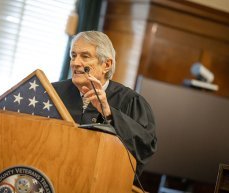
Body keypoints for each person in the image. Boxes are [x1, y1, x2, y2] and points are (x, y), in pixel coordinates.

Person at [52, 31, 157, 177]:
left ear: (106, 65)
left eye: (85, 56)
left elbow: (145, 146)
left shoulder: (130, 101)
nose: (75, 62)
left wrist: (109, 113)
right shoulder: (52, 92)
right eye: (73, 55)